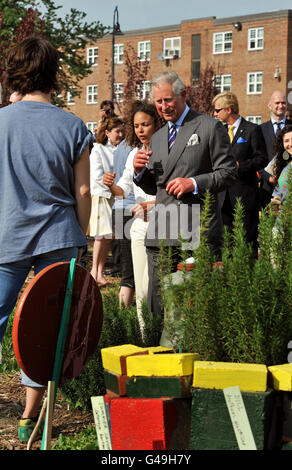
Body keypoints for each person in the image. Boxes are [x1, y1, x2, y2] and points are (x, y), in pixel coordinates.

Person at [0, 37, 93, 442]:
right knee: (46, 328)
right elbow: (84, 193)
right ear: (54, 75)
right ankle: (30, 418)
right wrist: (85, 240)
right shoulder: (72, 125)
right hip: (59, 235)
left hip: (7, 234)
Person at [133, 71, 238, 318]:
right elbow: (157, 187)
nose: (163, 106)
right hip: (161, 232)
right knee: (158, 307)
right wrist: (139, 172)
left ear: (184, 94)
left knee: (196, 308)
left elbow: (229, 172)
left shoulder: (209, 127)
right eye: (158, 102)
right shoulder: (157, 138)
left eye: (168, 100)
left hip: (197, 231)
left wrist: (193, 182)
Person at [103, 100, 163, 329]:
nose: (140, 130)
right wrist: (109, 185)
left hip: (165, 220)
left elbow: (170, 192)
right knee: (142, 283)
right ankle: (143, 332)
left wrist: (151, 204)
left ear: (156, 125)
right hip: (139, 222)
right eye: (136, 125)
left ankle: (163, 333)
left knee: (162, 284)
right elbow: (123, 191)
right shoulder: (133, 154)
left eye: (145, 124)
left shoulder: (167, 150)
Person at [212, 91, 267, 255]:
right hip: (223, 199)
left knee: (246, 246)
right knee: (226, 247)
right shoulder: (219, 131)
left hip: (244, 196)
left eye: (217, 110)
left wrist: (239, 166)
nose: (214, 114)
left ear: (229, 110)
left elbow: (261, 159)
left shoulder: (252, 130)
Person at [89, 117, 124, 286]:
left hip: (114, 197)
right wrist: (111, 184)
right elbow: (96, 176)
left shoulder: (121, 150)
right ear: (107, 133)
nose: (121, 134)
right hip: (102, 196)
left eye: (122, 131)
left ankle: (99, 272)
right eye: (117, 131)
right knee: (101, 236)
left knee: (108, 237)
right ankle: (94, 271)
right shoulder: (98, 150)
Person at [259, 91, 292, 208]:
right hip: (267, 189)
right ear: (269, 105)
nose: (280, 106)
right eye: (277, 103)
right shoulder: (259, 130)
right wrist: (269, 177)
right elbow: (256, 159)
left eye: (283, 103)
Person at [267, 124, 292, 205]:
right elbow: (279, 189)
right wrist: (277, 198)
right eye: (286, 141)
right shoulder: (286, 166)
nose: (290, 144)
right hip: (283, 215)